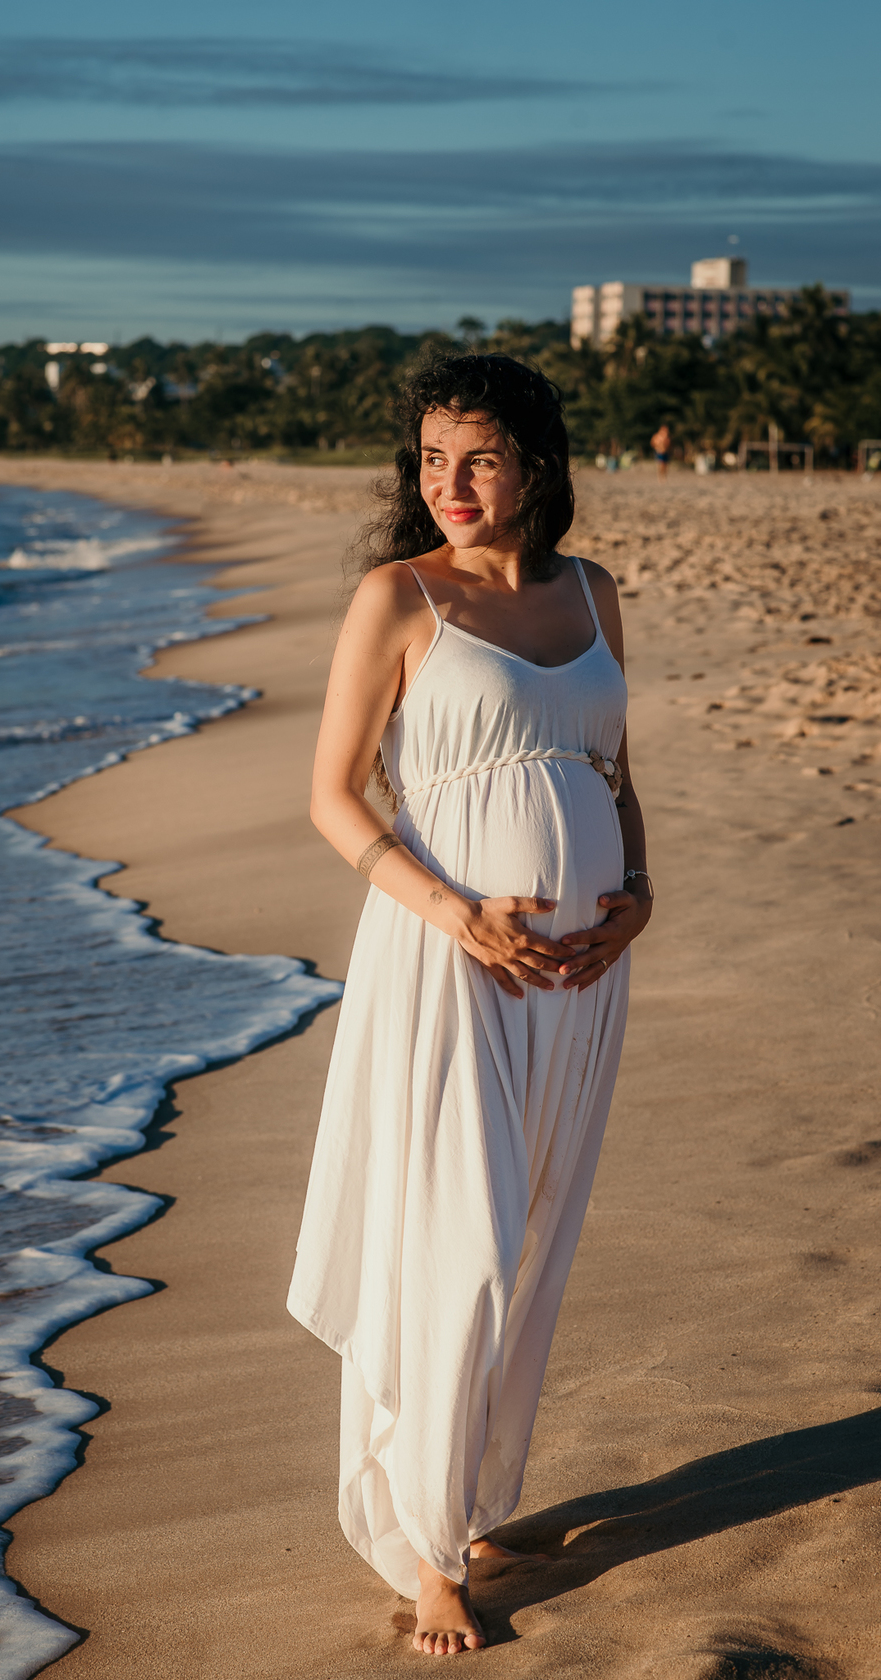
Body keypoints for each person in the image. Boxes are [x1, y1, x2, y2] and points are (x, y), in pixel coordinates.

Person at [287, 353, 652, 1656]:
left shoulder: (595, 595)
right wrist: (462, 920)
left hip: (581, 978)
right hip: (450, 967)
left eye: (480, 457)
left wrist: (640, 889)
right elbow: (336, 800)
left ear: (537, 466)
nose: (451, 484)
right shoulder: (399, 601)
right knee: (466, 1247)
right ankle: (423, 1549)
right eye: (433, 459)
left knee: (533, 1241)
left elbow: (610, 774)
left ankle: (474, 1498)